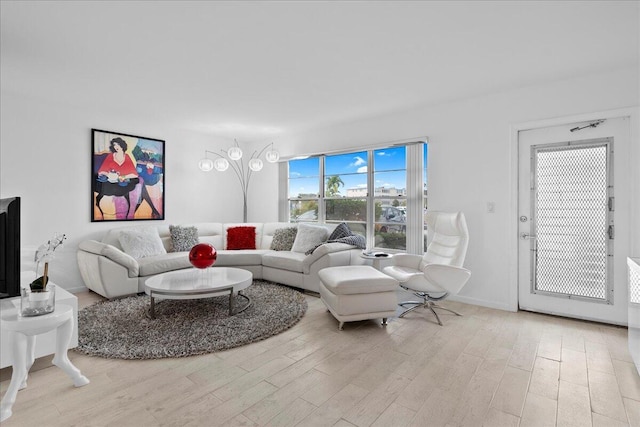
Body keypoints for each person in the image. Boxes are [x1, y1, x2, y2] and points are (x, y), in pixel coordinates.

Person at [94, 137, 140, 219]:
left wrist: (123, 176)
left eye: (117, 144)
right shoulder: (110, 156)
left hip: (122, 183)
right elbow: (101, 171)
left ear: (122, 145)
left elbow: (134, 174)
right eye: (114, 145)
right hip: (110, 182)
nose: (116, 147)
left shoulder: (127, 157)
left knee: (133, 182)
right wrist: (109, 174)